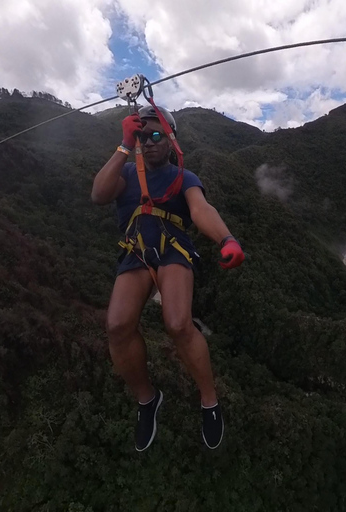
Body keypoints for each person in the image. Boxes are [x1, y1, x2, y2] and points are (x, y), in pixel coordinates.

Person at [90, 105, 244, 452]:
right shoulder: (127, 172)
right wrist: (124, 145)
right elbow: (99, 194)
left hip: (173, 249)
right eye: (143, 135)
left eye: (157, 135)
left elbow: (201, 209)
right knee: (117, 326)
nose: (150, 141)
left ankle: (209, 401)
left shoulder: (183, 177)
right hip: (136, 251)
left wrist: (226, 239)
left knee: (177, 323)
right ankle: (148, 399)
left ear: (172, 139)